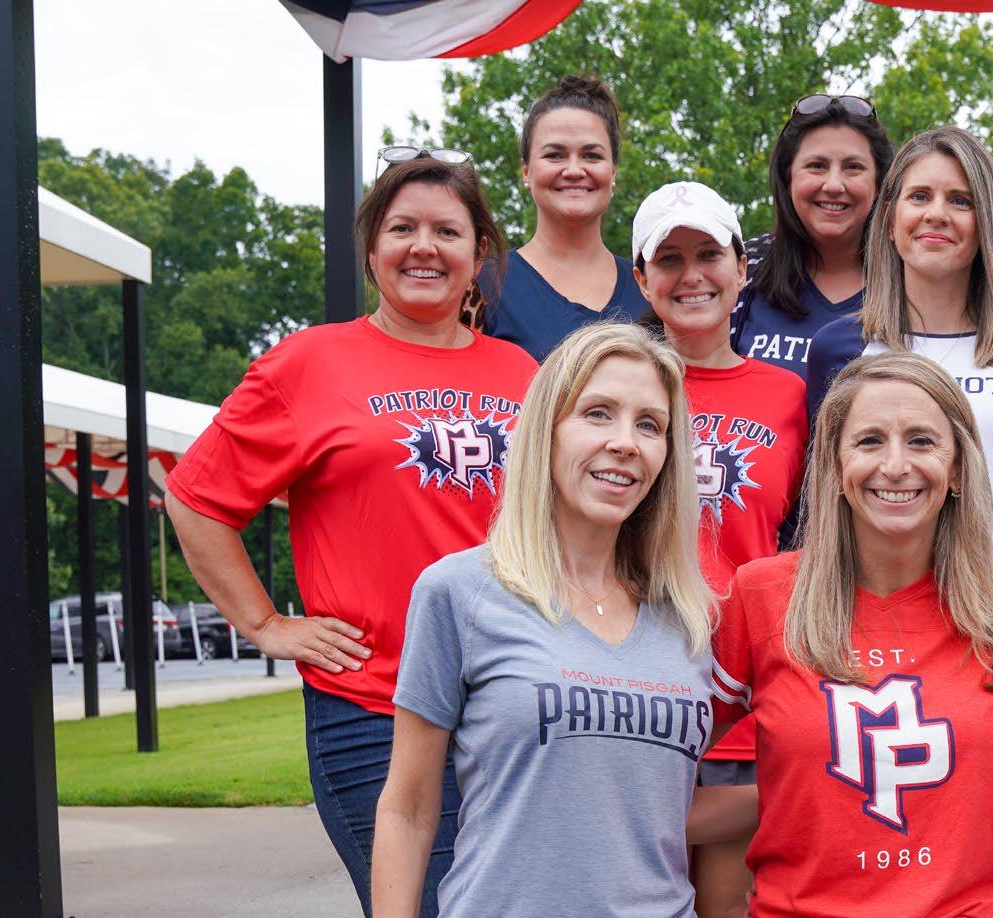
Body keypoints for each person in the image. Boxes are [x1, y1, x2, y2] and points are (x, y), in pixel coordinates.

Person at [164, 150, 535, 915]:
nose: (423, 247)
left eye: (446, 231)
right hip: (373, 708)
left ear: (478, 256)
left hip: (509, 703)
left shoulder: (523, 374)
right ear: (372, 249)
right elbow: (195, 498)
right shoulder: (310, 363)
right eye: (402, 229)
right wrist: (264, 624)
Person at [371, 323, 718, 917]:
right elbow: (408, 808)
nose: (625, 442)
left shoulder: (687, 618)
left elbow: (655, 809)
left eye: (649, 425)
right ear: (547, 430)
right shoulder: (461, 592)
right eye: (598, 413)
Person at [710, 352, 993, 918]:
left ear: (959, 468)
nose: (895, 465)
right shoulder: (760, 595)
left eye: (921, 441)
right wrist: (794, 802)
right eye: (869, 441)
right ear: (834, 466)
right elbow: (659, 762)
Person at [627, 180, 807, 918]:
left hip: (738, 685)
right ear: (642, 280)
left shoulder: (789, 394)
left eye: (708, 254)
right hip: (632, 676)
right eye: (668, 259)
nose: (691, 275)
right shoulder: (619, 382)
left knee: (728, 904)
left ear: (741, 268)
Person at [807, 127, 993, 557]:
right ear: (890, 220)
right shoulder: (838, 347)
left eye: (960, 201)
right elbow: (823, 495)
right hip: (873, 593)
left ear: (985, 224)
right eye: (919, 196)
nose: (937, 214)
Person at [478, 74, 651, 360]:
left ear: (613, 171)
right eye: (555, 155)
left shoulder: (648, 287)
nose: (573, 170)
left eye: (592, 156)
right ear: (526, 171)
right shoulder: (484, 283)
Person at [732, 93, 895, 375]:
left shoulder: (911, 280)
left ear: (879, 183)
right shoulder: (741, 272)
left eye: (853, 167)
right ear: (788, 178)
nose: (833, 185)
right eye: (816, 166)